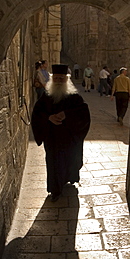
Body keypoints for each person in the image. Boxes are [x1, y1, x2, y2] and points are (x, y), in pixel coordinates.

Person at [31, 64, 91, 202]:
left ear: (66, 79)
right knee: (54, 163)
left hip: (69, 139)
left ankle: (70, 179)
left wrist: (66, 115)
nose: (58, 81)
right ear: (52, 79)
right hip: (52, 139)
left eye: (61, 78)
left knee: (70, 160)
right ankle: (55, 190)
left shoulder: (74, 97)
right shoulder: (46, 97)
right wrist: (48, 117)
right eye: (56, 78)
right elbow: (37, 113)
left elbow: (83, 113)